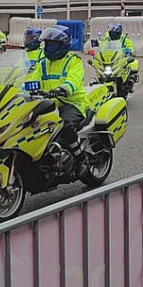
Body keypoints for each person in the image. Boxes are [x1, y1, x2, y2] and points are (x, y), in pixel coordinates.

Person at [29, 25, 89, 177]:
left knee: (65, 124)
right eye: (48, 44)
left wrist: (64, 88)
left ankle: (81, 158)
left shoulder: (73, 61)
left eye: (53, 44)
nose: (49, 47)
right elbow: (31, 80)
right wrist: (20, 89)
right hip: (49, 104)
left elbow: (74, 79)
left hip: (73, 102)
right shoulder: (42, 63)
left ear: (63, 45)